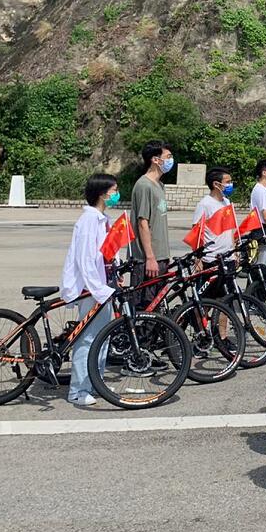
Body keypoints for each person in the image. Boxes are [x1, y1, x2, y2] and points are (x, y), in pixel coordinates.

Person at [62, 174, 119, 407]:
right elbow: (85, 260)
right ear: (102, 194)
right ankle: (78, 390)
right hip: (91, 289)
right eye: (114, 190)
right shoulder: (88, 221)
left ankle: (96, 383)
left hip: (104, 287)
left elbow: (106, 253)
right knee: (87, 339)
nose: (116, 194)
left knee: (103, 338)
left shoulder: (103, 219)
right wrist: (98, 289)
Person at [129, 140, 173, 307]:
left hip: (160, 256)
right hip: (146, 259)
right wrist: (150, 257)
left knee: (157, 307)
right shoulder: (144, 185)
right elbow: (143, 223)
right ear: (155, 159)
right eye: (168, 157)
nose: (170, 160)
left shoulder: (159, 185)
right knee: (144, 307)